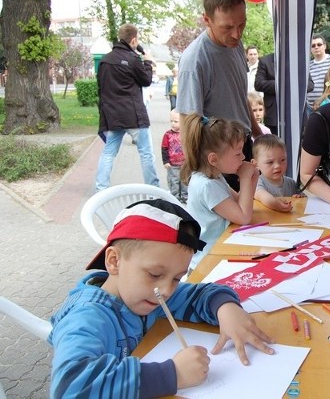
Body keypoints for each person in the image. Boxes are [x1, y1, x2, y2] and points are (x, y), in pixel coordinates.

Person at [48, 199, 274, 398]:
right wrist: (172, 374)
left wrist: (226, 309)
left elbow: (199, 295)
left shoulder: (150, 295)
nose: (166, 290)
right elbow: (70, 388)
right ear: (114, 261)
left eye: (177, 278)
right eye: (155, 274)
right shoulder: (86, 318)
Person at [176, 0, 264, 192]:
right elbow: (188, 121)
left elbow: (238, 95)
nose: (236, 34)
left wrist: (258, 134)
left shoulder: (235, 44)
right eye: (227, 27)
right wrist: (199, 173)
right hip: (218, 159)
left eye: (241, 25)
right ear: (206, 19)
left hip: (243, 146)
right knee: (235, 221)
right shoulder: (194, 60)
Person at [181, 114, 260, 269]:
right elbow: (244, 217)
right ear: (213, 159)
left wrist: (253, 178)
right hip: (209, 261)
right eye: (238, 154)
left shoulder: (214, 176)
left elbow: (240, 203)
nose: (243, 157)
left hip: (223, 246)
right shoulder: (207, 186)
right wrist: (244, 179)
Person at [95, 23, 160, 191]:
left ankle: (100, 189)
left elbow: (101, 88)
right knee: (145, 153)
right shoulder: (133, 59)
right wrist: (147, 62)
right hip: (134, 115)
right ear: (134, 40)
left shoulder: (104, 60)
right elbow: (146, 80)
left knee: (109, 152)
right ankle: (153, 189)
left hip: (112, 115)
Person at [254, 52, 314, 135]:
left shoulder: (299, 60)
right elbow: (258, 84)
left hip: (296, 113)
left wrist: (291, 85)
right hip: (274, 115)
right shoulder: (265, 61)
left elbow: (310, 85)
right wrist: (281, 84)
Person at [252, 134, 302, 212]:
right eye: (270, 162)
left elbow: (303, 200)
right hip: (268, 222)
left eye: (282, 160)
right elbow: (262, 195)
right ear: (256, 164)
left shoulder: (291, 183)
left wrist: (299, 198)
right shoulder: (256, 182)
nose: (277, 166)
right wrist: (276, 204)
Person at [161, 109, 188, 203]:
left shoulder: (186, 134)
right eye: (171, 121)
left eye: (176, 121)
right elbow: (164, 148)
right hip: (173, 165)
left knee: (185, 181)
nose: (173, 124)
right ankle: (175, 199)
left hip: (185, 164)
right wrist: (166, 161)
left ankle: (185, 197)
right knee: (174, 182)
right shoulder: (167, 135)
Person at [306, 35, 330, 113]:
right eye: (313, 45)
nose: (316, 47)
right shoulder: (307, 65)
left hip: (328, 104)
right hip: (310, 108)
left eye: (319, 44)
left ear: (324, 46)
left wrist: (323, 98)